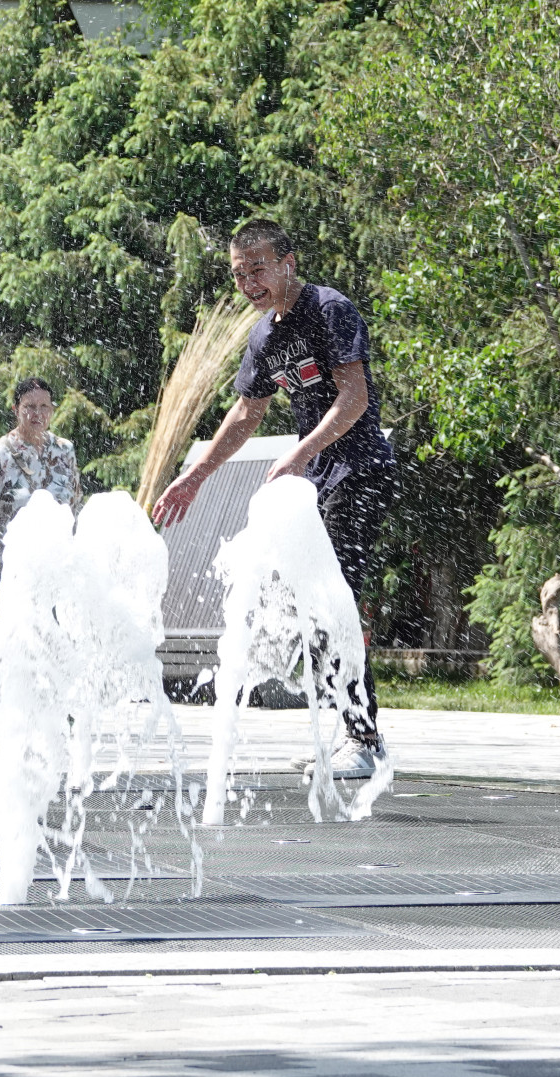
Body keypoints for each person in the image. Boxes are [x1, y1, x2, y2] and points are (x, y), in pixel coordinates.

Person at [152, 220, 397, 780]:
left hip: (359, 472)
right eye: (239, 274)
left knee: (333, 607)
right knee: (312, 609)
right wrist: (196, 476)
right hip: (316, 482)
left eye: (257, 268)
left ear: (288, 262)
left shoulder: (329, 309)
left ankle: (362, 738)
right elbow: (245, 414)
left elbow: (354, 398)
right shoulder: (265, 337)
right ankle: (353, 732)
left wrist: (300, 454)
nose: (248, 282)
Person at [0, 378, 84, 598]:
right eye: (29, 407)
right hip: (7, 572)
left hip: (53, 572)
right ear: (16, 410)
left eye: (44, 407)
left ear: (52, 410)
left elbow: (75, 506)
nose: (37, 414)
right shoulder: (1, 453)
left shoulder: (64, 451)